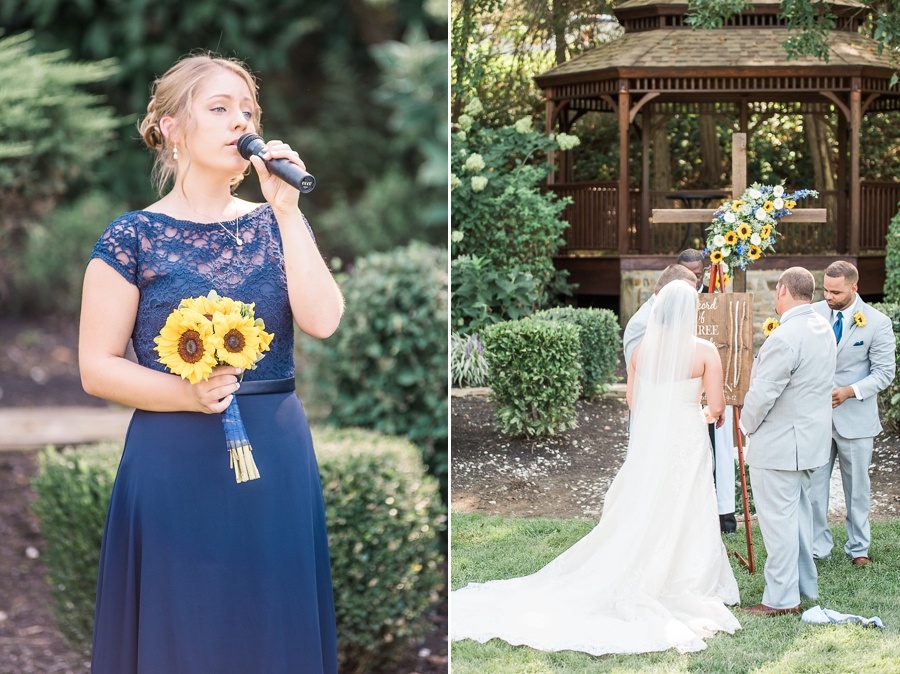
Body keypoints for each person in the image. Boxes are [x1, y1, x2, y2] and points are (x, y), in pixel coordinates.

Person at [79, 54, 343, 673]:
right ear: (172, 127)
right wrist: (187, 394)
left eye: (246, 110)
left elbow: (324, 319)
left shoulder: (275, 223)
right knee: (183, 630)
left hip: (275, 454)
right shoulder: (131, 238)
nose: (238, 122)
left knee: (271, 626)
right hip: (173, 459)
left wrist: (287, 208)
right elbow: (96, 367)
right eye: (218, 108)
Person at [451, 280, 740, 656]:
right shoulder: (704, 351)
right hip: (686, 437)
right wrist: (700, 411)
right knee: (687, 501)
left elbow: (634, 401)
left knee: (644, 499)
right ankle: (686, 576)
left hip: (650, 442)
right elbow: (716, 407)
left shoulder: (642, 350)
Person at [739, 268, 835, 616]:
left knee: (778, 525)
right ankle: (805, 588)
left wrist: (744, 424)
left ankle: (781, 600)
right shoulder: (823, 327)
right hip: (810, 443)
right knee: (799, 522)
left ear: (782, 291)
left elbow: (763, 393)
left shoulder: (784, 337)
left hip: (780, 446)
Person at [809, 261, 896, 565]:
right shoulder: (814, 314)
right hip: (816, 419)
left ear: (854, 288)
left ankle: (858, 548)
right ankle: (817, 548)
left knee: (857, 488)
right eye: (825, 290)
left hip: (856, 419)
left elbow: (885, 373)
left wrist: (849, 391)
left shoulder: (877, 322)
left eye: (836, 292)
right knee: (815, 489)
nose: (828, 296)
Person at [678, 248, 738, 533]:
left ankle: (723, 513)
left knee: (719, 454)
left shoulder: (718, 299)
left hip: (713, 387)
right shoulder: (670, 303)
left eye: (699, 275)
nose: (696, 280)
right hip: (684, 395)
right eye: (690, 276)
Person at [622, 263, 697, 366]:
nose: (690, 299)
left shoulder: (678, 315)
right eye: (685, 292)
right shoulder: (641, 323)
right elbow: (634, 371)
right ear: (666, 289)